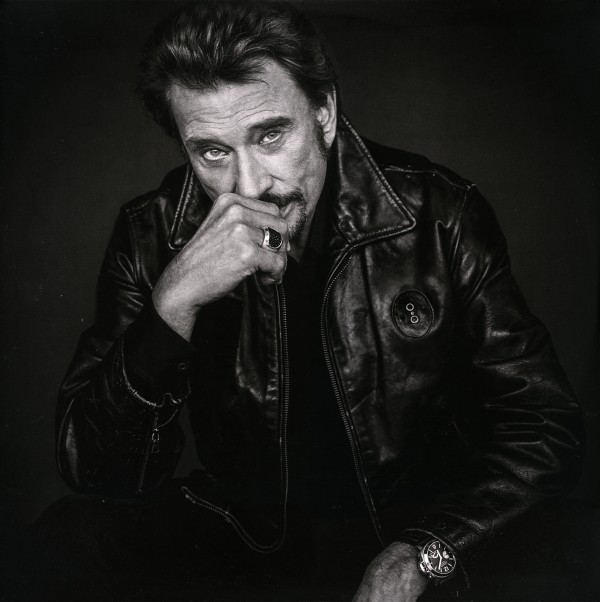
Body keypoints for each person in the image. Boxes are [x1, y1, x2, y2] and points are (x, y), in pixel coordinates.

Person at [13, 2, 583, 600]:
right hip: (248, 536)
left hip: (418, 522)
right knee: (71, 537)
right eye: (212, 152)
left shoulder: (439, 214)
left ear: (324, 113)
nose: (249, 186)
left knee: (578, 539)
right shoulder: (150, 234)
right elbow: (95, 473)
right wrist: (172, 303)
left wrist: (425, 551)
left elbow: (544, 428)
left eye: (270, 135)